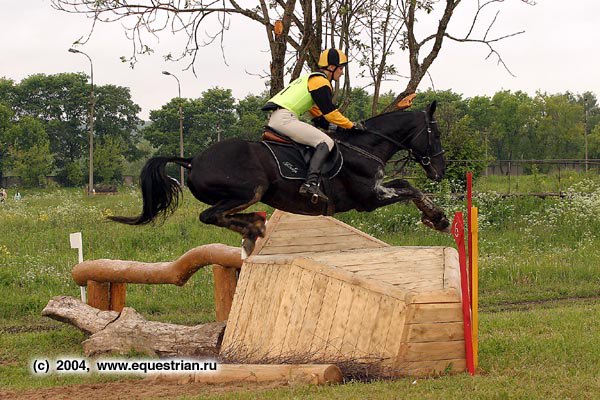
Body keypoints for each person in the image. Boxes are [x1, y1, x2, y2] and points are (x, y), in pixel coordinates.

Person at [262, 48, 364, 203]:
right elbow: (330, 112)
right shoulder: (320, 81)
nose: (342, 73)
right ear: (331, 67)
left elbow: (318, 115)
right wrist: (351, 125)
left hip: (280, 117)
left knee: (322, 138)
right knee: (326, 142)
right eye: (341, 68)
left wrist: (336, 127)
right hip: (285, 119)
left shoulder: (311, 80)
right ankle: (310, 183)